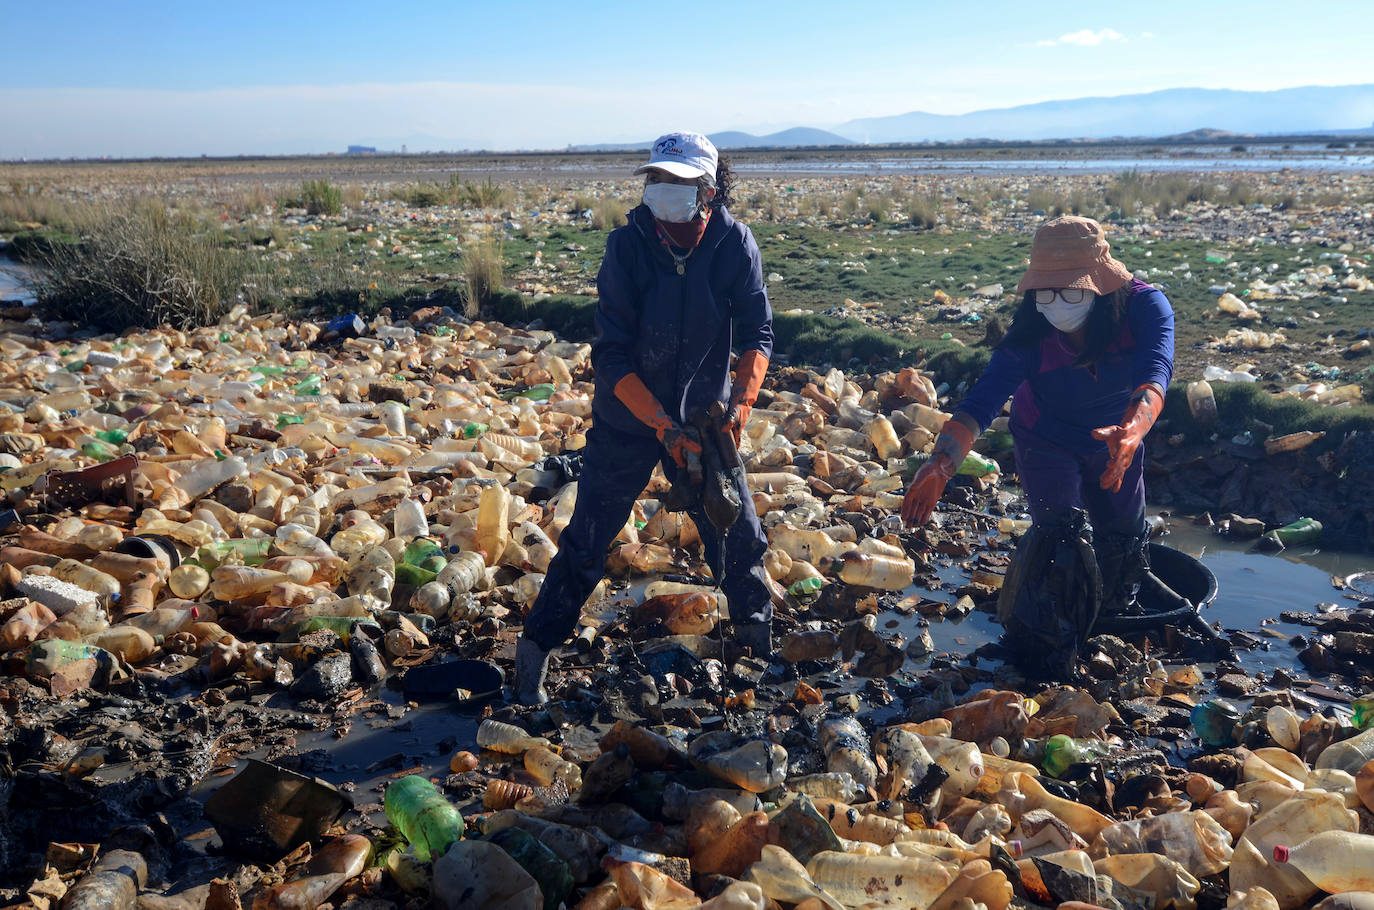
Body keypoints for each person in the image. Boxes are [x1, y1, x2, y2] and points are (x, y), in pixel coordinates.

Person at [513, 131, 775, 705]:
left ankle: (758, 656)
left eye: (678, 181)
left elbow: (757, 332)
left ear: (707, 189)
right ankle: (532, 657)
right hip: (630, 422)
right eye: (657, 178)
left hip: (710, 420)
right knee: (587, 539)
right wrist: (660, 424)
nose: (663, 189)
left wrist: (740, 407)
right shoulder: (627, 246)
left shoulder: (734, 243)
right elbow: (610, 354)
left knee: (738, 533)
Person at [902, 215, 1174, 676]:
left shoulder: (1145, 309)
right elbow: (985, 398)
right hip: (1045, 435)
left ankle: (1109, 624)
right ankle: (1053, 643)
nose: (1056, 304)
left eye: (1070, 292)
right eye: (1044, 293)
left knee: (1123, 536)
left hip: (1118, 436)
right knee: (1060, 534)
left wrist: (1132, 430)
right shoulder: (1032, 330)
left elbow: (1156, 373)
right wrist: (941, 463)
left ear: (1101, 286)